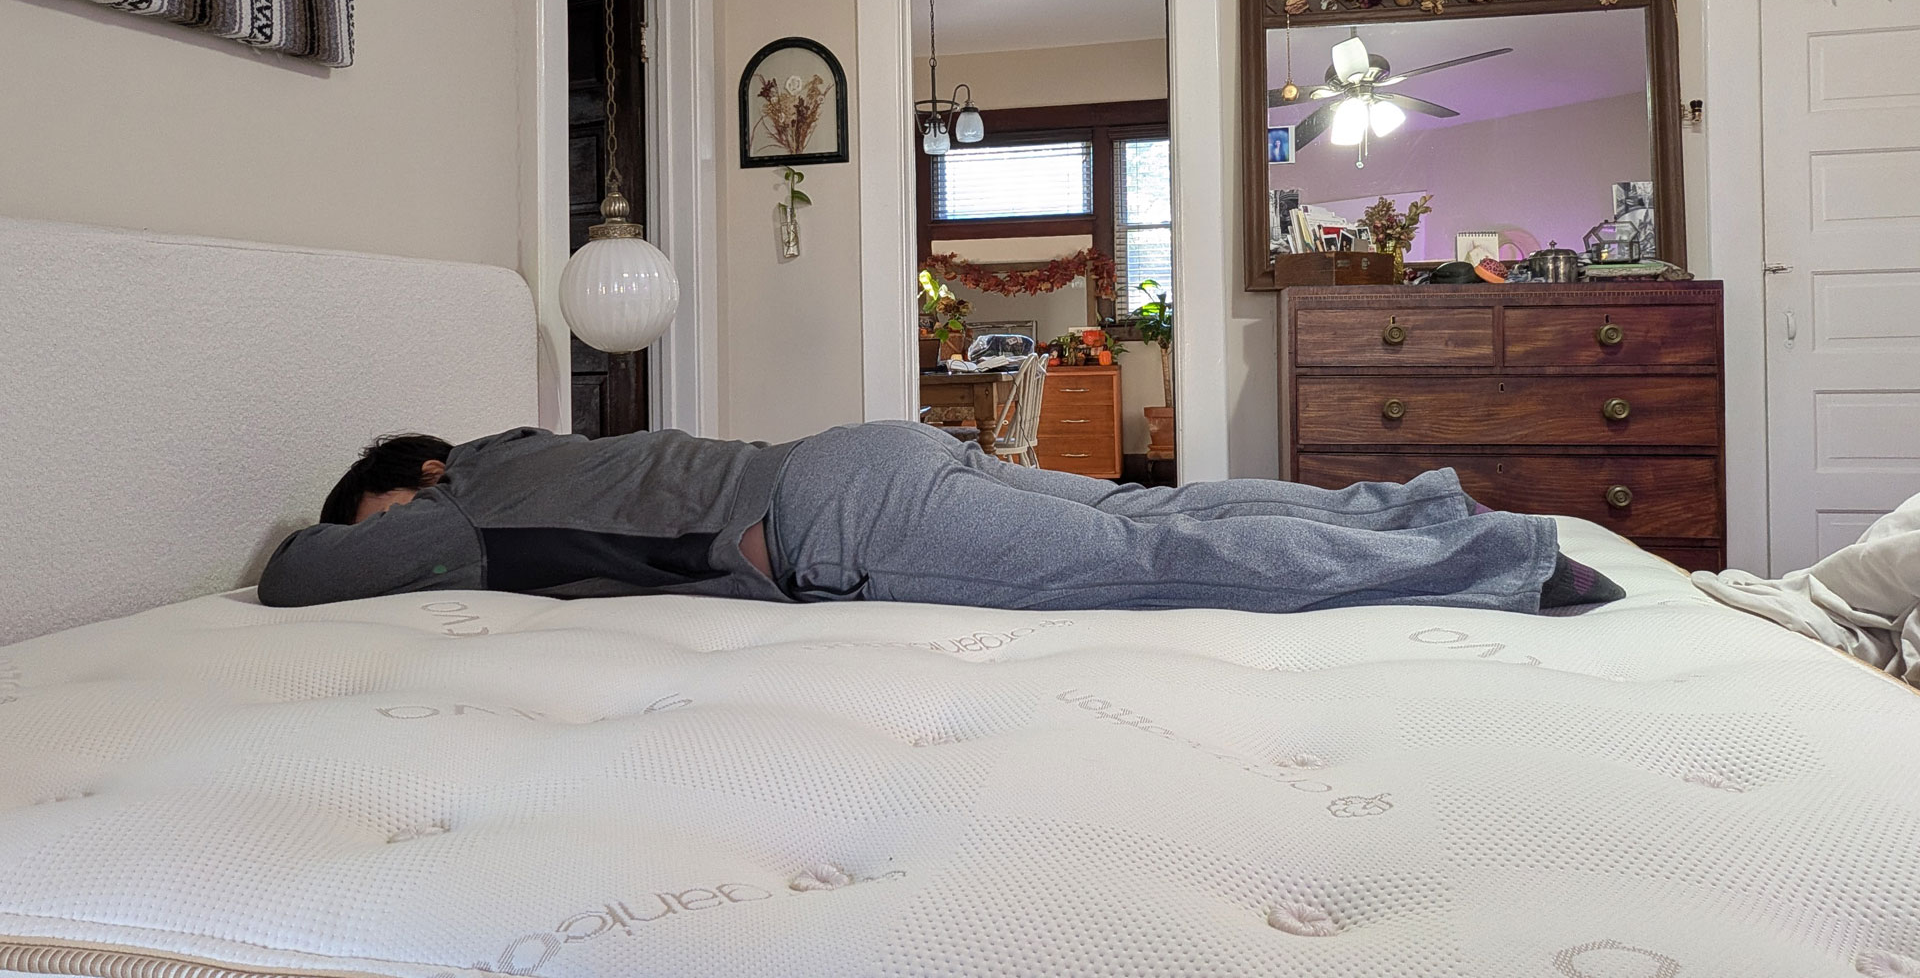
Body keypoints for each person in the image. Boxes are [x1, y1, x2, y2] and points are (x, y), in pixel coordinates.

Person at [257, 421, 1623, 614]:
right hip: (867, 451)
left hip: (829, 518)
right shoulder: (542, 444)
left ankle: (1494, 560)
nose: (395, 547)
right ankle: (1417, 507)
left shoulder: (468, 494)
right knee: (1157, 503)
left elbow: (300, 575)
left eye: (388, 512)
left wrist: (350, 535)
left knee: (1151, 557)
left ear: (423, 471)